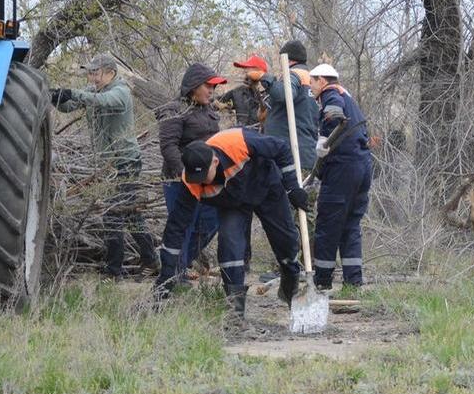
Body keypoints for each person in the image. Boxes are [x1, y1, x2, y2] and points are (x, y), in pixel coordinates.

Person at [153, 128, 310, 318]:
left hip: (267, 188)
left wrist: (292, 188)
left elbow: (281, 148)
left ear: (215, 162)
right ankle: (235, 310)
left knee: (287, 243)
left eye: (204, 176)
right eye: (197, 178)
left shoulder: (237, 143)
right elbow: (176, 227)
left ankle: (290, 288)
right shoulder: (191, 181)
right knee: (230, 245)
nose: (201, 182)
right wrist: (166, 276)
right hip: (233, 205)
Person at [51, 53, 158, 279]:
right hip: (107, 165)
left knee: (113, 215)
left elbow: (105, 101)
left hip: (125, 163)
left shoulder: (121, 92)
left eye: (96, 73)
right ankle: (150, 259)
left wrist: (75, 92)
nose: (92, 77)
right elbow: (69, 107)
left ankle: (113, 271)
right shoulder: (92, 91)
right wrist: (56, 97)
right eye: (90, 73)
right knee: (129, 214)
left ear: (110, 73)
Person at [156, 63, 226, 276]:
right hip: (179, 181)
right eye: (208, 86)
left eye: (214, 87)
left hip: (207, 180)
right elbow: (168, 146)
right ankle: (175, 275)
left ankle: (181, 264)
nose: (212, 91)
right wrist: (185, 175)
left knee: (212, 221)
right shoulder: (173, 110)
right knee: (182, 227)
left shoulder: (209, 109)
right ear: (194, 86)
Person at [307, 63, 373, 290]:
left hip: (343, 169)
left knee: (328, 223)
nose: (311, 87)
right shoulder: (349, 96)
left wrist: (324, 140)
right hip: (362, 166)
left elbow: (334, 115)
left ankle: (322, 282)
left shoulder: (331, 94)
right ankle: (353, 283)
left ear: (322, 81)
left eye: (312, 82)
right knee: (350, 225)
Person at [233, 43, 320, 169]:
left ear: (287, 59)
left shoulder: (294, 74)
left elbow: (284, 94)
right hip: (306, 151)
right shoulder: (312, 78)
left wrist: (263, 77)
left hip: (290, 153)